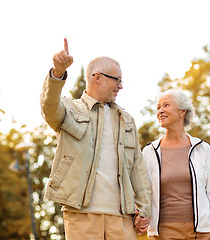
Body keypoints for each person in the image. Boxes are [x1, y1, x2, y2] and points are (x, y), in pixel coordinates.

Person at [40, 38, 151, 240]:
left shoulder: (127, 120)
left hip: (122, 216)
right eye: (117, 80)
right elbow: (48, 106)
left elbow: (137, 166)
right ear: (97, 77)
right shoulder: (70, 109)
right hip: (81, 214)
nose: (121, 86)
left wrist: (144, 208)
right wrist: (57, 73)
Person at [140, 89, 210, 240]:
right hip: (165, 232)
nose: (160, 111)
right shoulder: (150, 152)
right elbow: (142, 192)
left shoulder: (202, 148)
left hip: (203, 232)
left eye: (166, 105)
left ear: (182, 112)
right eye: (158, 107)